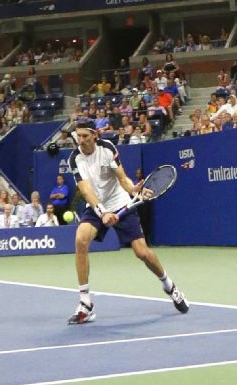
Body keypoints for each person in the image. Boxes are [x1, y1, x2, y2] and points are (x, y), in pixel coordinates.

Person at [66, 121, 187, 324]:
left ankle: (169, 286)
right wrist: (102, 212)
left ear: (95, 135)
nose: (81, 140)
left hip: (120, 202)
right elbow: (86, 191)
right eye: (79, 136)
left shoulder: (107, 149)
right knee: (80, 239)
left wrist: (135, 191)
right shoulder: (74, 158)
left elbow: (122, 179)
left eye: (85, 136)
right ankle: (85, 303)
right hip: (96, 207)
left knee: (143, 253)